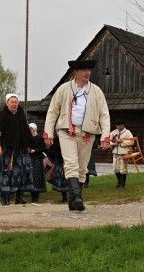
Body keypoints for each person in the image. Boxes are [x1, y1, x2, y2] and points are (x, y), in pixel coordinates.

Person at [43, 59, 111, 211]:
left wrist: (106, 136)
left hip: (88, 133)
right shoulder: (64, 89)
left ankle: (73, 200)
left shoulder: (96, 91)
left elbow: (104, 115)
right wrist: (48, 132)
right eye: (84, 70)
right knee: (71, 163)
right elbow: (53, 111)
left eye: (89, 70)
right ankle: (77, 197)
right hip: (67, 131)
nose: (87, 72)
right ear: (75, 72)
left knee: (82, 168)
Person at [0, 94, 35, 206]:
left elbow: (25, 131)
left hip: (20, 149)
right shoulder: (2, 115)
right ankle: (4, 197)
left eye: (16, 102)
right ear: (7, 103)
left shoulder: (21, 114)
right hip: (6, 149)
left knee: (21, 172)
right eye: (12, 102)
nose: (14, 104)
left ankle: (19, 197)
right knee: (6, 172)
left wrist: (28, 144)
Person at [109, 120, 134, 190]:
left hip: (124, 153)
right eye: (117, 125)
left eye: (120, 125)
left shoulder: (127, 132)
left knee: (123, 169)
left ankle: (122, 185)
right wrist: (113, 144)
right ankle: (119, 182)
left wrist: (122, 141)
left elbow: (132, 142)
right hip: (115, 153)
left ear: (123, 125)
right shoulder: (114, 132)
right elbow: (109, 140)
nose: (119, 127)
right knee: (115, 169)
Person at [28, 123, 47, 203]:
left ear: (34, 129)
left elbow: (43, 148)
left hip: (37, 159)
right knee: (31, 177)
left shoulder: (39, 138)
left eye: (30, 129)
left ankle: (36, 196)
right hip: (30, 159)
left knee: (37, 177)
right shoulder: (28, 138)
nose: (29, 130)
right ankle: (32, 196)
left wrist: (35, 150)